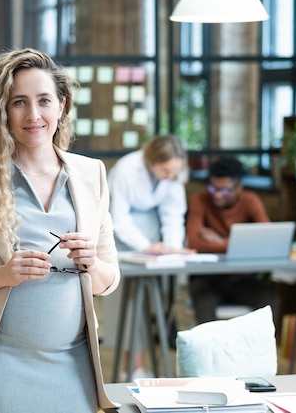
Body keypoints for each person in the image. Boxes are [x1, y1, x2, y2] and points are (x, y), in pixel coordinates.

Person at [0, 48, 120, 413]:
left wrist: (91, 263)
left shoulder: (92, 175)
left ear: (61, 106)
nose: (33, 115)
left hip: (74, 367)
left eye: (44, 100)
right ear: (1, 111)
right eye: (19, 102)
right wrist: (2, 275)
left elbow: (109, 281)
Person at [107, 134, 194, 380]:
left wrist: (172, 247)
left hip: (155, 236)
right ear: (151, 161)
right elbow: (119, 219)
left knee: (152, 302)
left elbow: (174, 214)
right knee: (128, 302)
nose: (170, 176)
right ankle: (130, 368)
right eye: (165, 170)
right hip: (123, 237)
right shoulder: (126, 169)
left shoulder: (174, 172)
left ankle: (140, 367)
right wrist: (146, 245)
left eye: (174, 171)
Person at [186, 156, 279, 325]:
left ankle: (256, 352)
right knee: (205, 310)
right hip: (207, 278)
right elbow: (194, 243)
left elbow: (267, 239)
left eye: (225, 190)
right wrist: (240, 244)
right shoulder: (199, 200)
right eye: (214, 189)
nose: (218, 195)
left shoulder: (250, 201)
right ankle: (209, 352)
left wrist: (220, 241)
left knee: (270, 299)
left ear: (239, 187)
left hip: (242, 279)